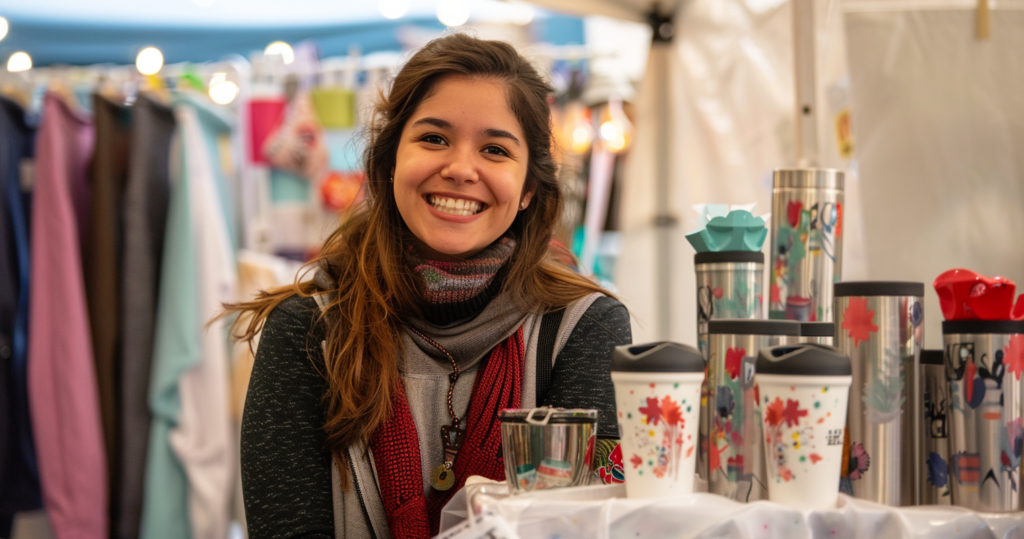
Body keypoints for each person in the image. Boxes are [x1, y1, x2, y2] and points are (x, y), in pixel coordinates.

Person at [229, 32, 631, 539]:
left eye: (494, 149)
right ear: (390, 161)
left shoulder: (582, 328)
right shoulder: (310, 329)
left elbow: (584, 527)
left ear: (529, 187)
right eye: (434, 138)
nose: (461, 169)